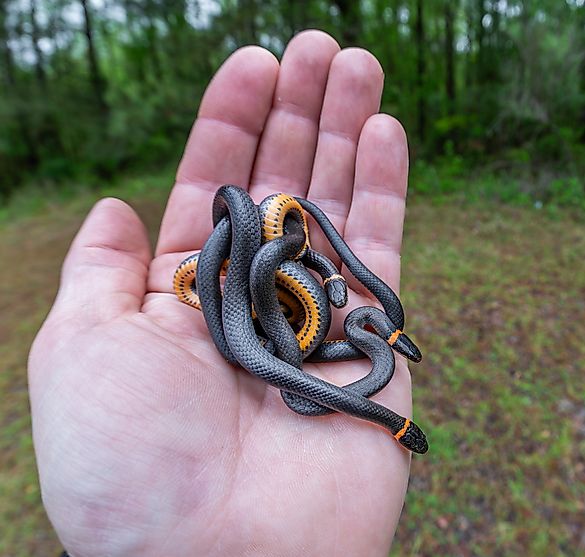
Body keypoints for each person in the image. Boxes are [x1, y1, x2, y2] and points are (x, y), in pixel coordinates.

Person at [29, 30, 416, 557]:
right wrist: (289, 266)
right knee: (266, 299)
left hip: (274, 304)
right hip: (261, 268)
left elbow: (303, 360)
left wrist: (311, 284)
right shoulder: (267, 261)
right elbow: (256, 245)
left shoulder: (335, 337)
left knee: (282, 341)